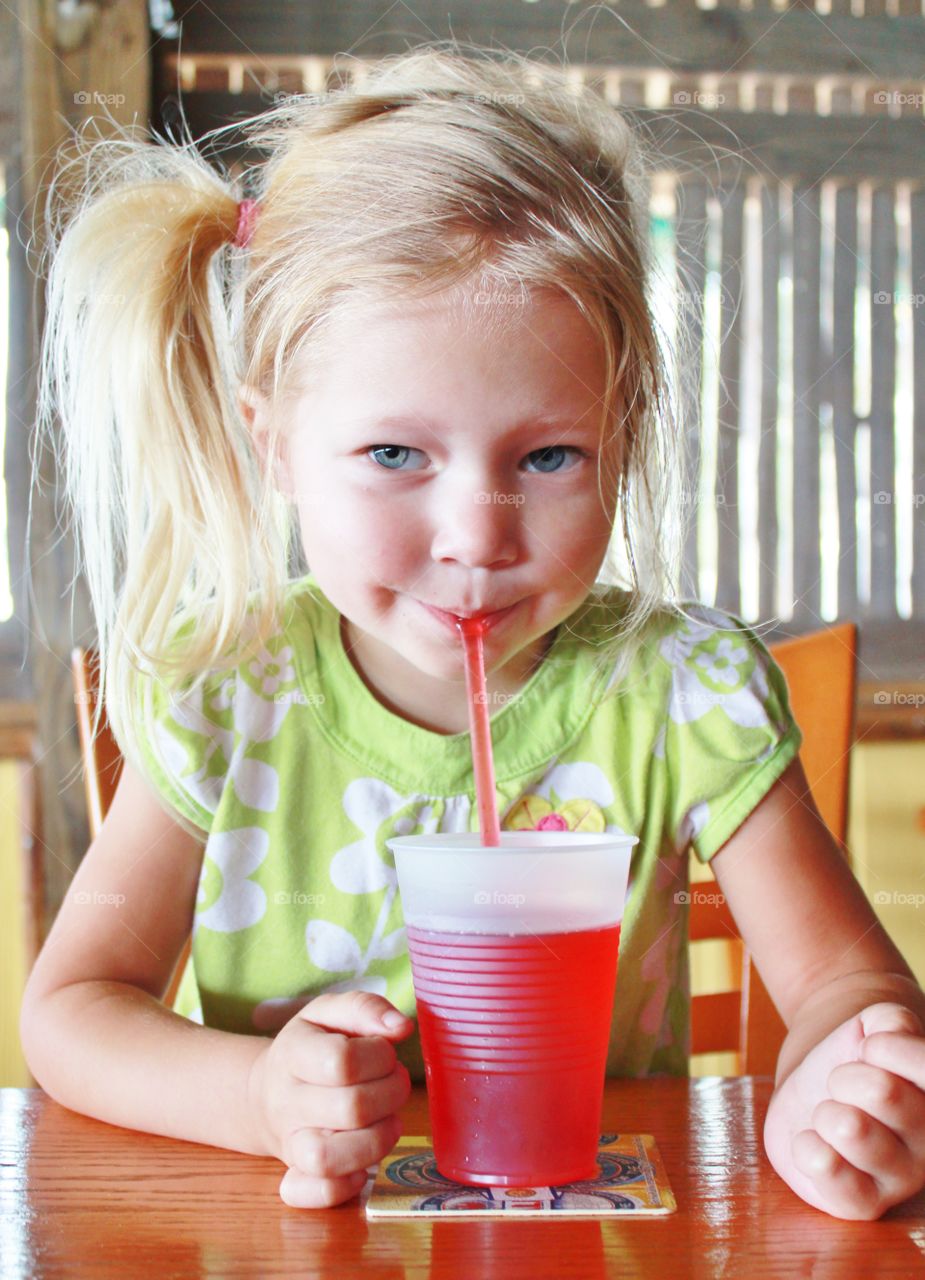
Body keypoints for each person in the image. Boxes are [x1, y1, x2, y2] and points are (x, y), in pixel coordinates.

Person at [20, 43, 925, 1218]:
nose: (476, 536)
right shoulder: (231, 692)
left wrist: (842, 1092)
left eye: (548, 455)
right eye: (395, 454)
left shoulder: (678, 690)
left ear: (624, 434)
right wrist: (253, 1096)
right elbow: (72, 1008)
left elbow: (845, 984)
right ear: (275, 442)